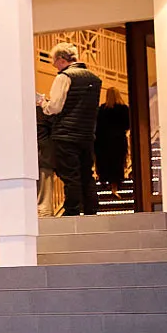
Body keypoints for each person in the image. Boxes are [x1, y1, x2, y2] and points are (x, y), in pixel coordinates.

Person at [39, 41, 101, 217]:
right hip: (87, 134)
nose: (53, 65)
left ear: (60, 59)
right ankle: (91, 210)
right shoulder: (94, 79)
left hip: (66, 134)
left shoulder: (64, 77)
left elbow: (55, 107)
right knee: (86, 174)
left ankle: (72, 211)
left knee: (70, 175)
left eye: (53, 60)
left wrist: (43, 103)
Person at [96, 86, 131, 190]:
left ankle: (104, 182)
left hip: (103, 141)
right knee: (118, 162)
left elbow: (97, 126)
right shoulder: (124, 109)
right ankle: (116, 185)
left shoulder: (101, 109)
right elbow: (127, 125)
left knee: (105, 162)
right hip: (118, 140)